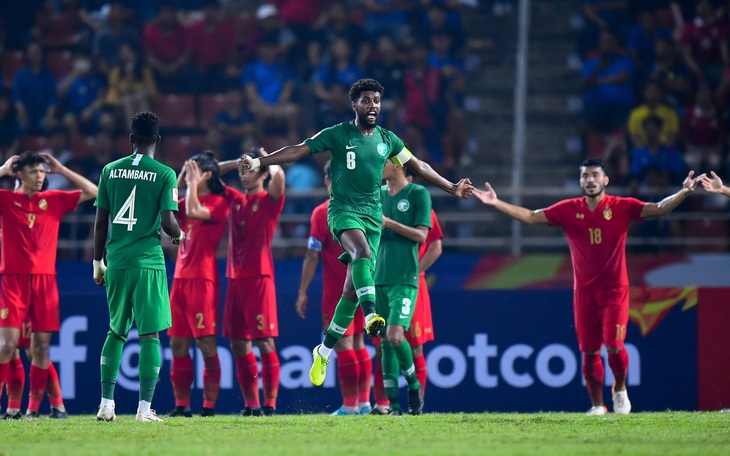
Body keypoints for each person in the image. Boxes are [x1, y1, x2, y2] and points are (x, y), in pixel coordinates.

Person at [236, 78, 473, 389]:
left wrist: (451, 186)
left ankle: (323, 350)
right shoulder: (338, 134)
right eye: (366, 100)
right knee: (359, 254)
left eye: (376, 100)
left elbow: (419, 165)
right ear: (355, 105)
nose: (372, 105)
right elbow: (297, 151)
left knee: (350, 293)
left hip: (373, 216)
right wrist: (259, 161)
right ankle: (373, 314)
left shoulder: (388, 140)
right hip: (343, 212)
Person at [472, 158, 704, 415]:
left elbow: (659, 208)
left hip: (615, 290)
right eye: (585, 176)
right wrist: (496, 203)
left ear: (605, 180)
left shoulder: (622, 206)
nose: (590, 180)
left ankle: (620, 388)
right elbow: (530, 216)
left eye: (595, 175)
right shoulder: (569, 209)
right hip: (583, 294)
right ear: (581, 181)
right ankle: (597, 406)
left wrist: (684, 191)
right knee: (590, 352)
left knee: (614, 344)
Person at [92, 111, 184, 423]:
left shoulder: (109, 170)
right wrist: (179, 234)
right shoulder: (165, 173)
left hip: (116, 261)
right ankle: (143, 411)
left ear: (130, 139)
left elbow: (100, 221)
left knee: (116, 331)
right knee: (149, 336)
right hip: (148, 262)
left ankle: (106, 404)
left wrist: (97, 261)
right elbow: (169, 222)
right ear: (158, 139)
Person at [0, 150, 98, 419]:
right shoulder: (6, 199)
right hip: (13, 280)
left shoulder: (53, 200)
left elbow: (95, 191)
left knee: (39, 348)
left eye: (42, 172)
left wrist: (62, 170)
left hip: (44, 282)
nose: (40, 177)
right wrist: (3, 169)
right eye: (34, 172)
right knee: (6, 347)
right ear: (20, 174)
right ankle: (19, 407)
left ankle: (33, 410)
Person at [295, 160, 372, 416]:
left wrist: (302, 290)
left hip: (338, 293)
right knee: (360, 344)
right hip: (364, 286)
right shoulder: (362, 209)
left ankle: (350, 406)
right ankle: (364, 404)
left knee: (343, 346)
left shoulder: (322, 212)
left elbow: (312, 255)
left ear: (328, 180)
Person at [219, 148, 285, 417]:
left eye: (251, 170)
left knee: (264, 342)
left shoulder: (269, 201)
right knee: (237, 344)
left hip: (259, 277)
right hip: (234, 278)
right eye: (242, 171)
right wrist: (236, 161)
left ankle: (269, 404)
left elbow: (280, 179)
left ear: (263, 173)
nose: (245, 175)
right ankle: (251, 404)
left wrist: (267, 158)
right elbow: (210, 175)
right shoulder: (235, 199)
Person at [167, 153, 229, 418]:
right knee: (177, 345)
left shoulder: (218, 203)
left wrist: (191, 183)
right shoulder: (183, 201)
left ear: (207, 176)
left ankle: (208, 407)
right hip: (179, 280)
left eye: (195, 169)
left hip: (203, 280)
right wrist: (181, 179)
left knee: (206, 345)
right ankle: (181, 405)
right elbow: (167, 204)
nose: (190, 173)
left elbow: (194, 210)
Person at [372, 159, 432, 416]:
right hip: (378, 277)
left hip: (405, 278)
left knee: (396, 336)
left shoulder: (418, 194)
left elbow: (422, 236)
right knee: (385, 341)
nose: (378, 166)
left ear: (398, 165)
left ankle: (414, 385)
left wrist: (388, 223)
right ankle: (395, 406)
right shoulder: (376, 194)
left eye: (382, 161)